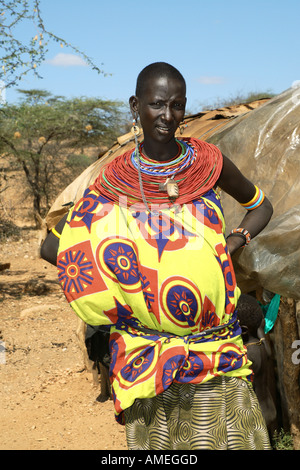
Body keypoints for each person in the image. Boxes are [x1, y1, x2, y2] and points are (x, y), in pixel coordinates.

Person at [41, 62, 273, 450]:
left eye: (178, 105)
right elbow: (54, 246)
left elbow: (261, 206)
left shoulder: (207, 163)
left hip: (215, 351)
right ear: (136, 106)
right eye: (157, 104)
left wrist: (233, 243)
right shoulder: (113, 182)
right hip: (147, 354)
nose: (168, 116)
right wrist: (123, 284)